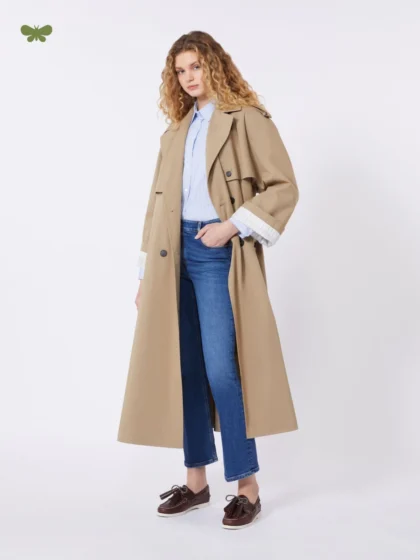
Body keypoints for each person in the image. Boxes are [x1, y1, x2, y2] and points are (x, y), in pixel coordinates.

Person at [118, 30, 300, 530]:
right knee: (186, 369)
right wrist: (146, 275)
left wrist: (232, 225)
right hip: (171, 253)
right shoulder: (177, 131)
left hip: (215, 252)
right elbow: (156, 206)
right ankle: (196, 482)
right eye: (180, 70)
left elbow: (283, 186)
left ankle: (247, 487)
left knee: (223, 370)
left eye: (195, 66)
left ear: (214, 65)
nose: (188, 77)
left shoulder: (247, 119)